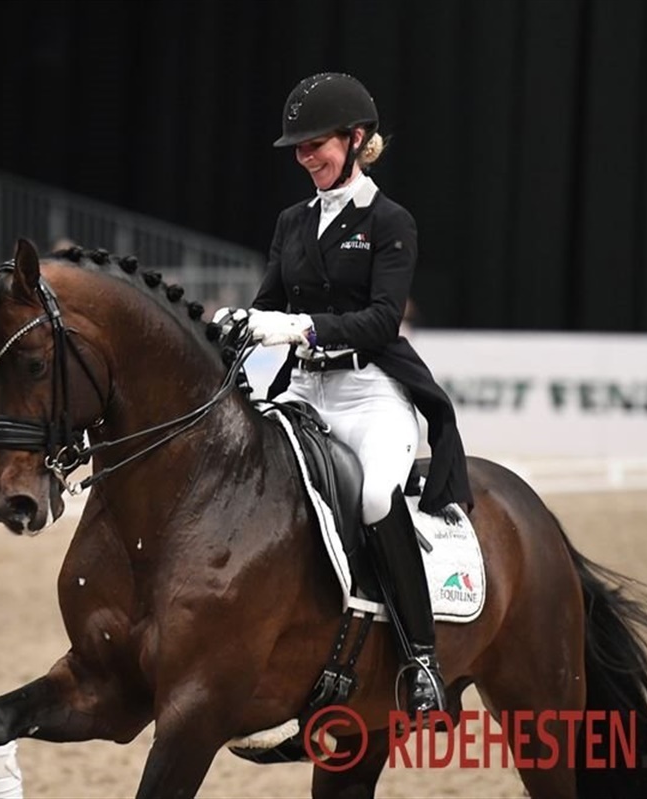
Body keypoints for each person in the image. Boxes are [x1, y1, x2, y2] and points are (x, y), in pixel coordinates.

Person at [220, 73, 473, 718]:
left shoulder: (390, 222)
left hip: (368, 394)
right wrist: (233, 323)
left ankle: (422, 657)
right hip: (304, 388)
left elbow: (383, 320)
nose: (306, 159)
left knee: (375, 497)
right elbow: (269, 303)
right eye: (299, 150)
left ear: (356, 139)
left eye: (317, 145)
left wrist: (302, 328)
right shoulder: (292, 222)